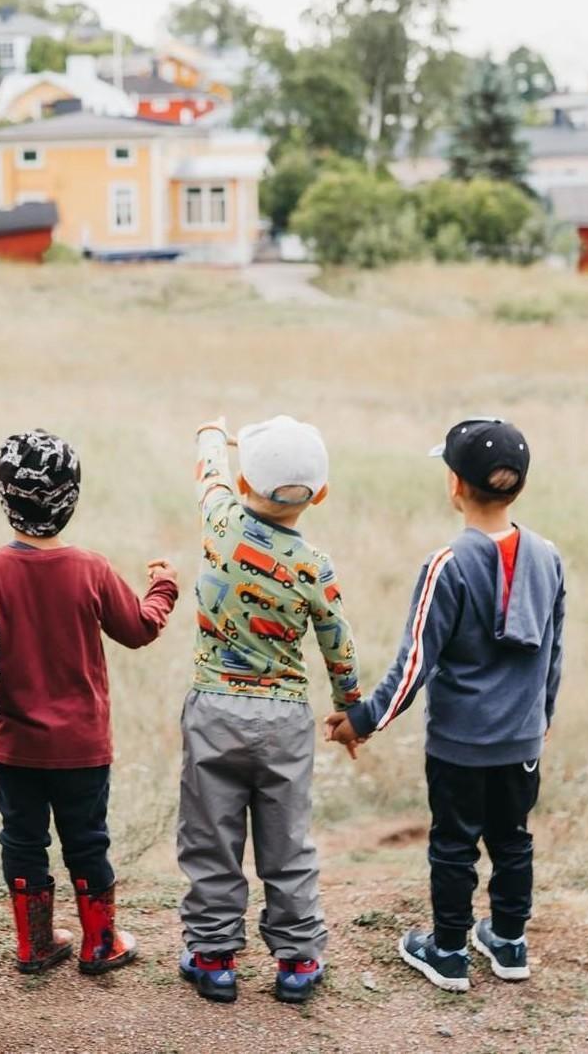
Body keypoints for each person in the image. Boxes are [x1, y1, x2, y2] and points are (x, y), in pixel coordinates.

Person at [329, 417, 566, 993]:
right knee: (513, 839)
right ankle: (509, 943)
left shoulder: (447, 565)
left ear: (455, 485)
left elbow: (416, 664)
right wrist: (543, 720)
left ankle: (451, 950)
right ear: (520, 487)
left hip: (460, 745)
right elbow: (554, 651)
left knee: (454, 845)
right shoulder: (549, 557)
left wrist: (362, 718)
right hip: (521, 742)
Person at [0, 430, 179, 975]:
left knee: (22, 839)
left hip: (13, 745)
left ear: (5, 497)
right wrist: (163, 586)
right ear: (71, 498)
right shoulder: (89, 568)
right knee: (87, 840)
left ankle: (35, 944)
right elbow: (139, 628)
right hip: (81, 748)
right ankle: (100, 942)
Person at [177, 416, 359, 1005]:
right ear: (321, 494)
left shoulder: (221, 521)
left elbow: (210, 474)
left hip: (215, 711)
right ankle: (298, 960)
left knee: (210, 838)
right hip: (284, 719)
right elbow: (338, 642)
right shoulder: (313, 565)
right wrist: (350, 710)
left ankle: (213, 956)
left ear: (245, 477)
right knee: (288, 843)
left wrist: (212, 434)